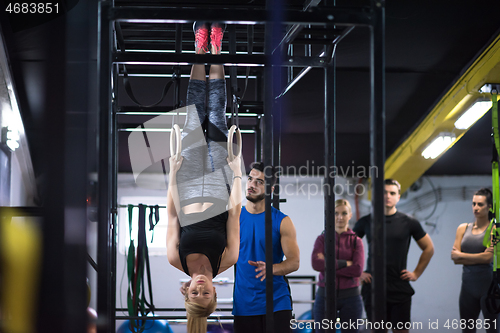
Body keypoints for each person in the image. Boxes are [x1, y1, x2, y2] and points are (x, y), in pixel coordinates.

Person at [166, 21, 243, 333]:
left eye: (194, 293)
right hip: (217, 182)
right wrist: (237, 170)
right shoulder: (228, 258)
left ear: (187, 293)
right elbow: (234, 213)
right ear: (215, 292)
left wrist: (172, 172)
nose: (199, 287)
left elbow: (171, 216)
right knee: (215, 115)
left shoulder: (176, 259)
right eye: (205, 293)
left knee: (194, 113)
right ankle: (217, 48)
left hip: (186, 180)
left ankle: (200, 47)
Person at [353, 179, 434, 333]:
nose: (388, 196)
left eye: (392, 193)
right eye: (384, 192)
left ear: (398, 196)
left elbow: (429, 248)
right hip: (373, 287)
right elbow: (346, 248)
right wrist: (358, 273)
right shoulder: (366, 221)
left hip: (399, 287)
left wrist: (416, 273)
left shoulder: (409, 222)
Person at [232, 162, 300, 333]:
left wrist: (272, 268)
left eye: (259, 182)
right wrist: (198, 275)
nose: (252, 185)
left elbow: (294, 262)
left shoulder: (282, 221)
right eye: (250, 179)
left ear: (271, 189)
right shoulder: (233, 219)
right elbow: (218, 255)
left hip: (277, 302)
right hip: (244, 304)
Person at [312, 199, 364, 333]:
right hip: (324, 295)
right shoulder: (322, 239)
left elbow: (357, 269)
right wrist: (345, 263)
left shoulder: (356, 241)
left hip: (351, 297)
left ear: (350, 215)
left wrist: (328, 266)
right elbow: (316, 263)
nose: (340, 217)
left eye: (344, 213)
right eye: (335, 213)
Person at [451, 188, 499, 333]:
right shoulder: (463, 228)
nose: (476, 208)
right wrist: (478, 257)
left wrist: (463, 256)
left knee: (492, 330)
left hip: (489, 288)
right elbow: (454, 257)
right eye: (474, 204)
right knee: (467, 330)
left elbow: (488, 258)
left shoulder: (494, 229)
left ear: (489, 207)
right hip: (467, 289)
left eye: (480, 204)